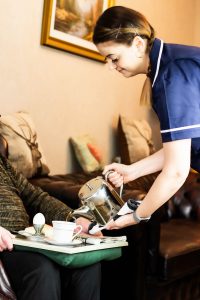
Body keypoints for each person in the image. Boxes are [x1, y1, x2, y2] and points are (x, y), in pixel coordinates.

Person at [92, 5, 200, 229]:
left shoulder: (172, 75)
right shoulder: (167, 68)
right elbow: (183, 149)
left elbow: (178, 170)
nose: (111, 67)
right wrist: (132, 171)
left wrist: (136, 216)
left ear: (138, 44)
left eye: (113, 58)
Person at [0, 154, 101, 300]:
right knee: (43, 268)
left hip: (25, 240)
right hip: (6, 247)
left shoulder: (3, 163)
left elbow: (36, 197)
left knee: (87, 264)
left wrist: (74, 219)